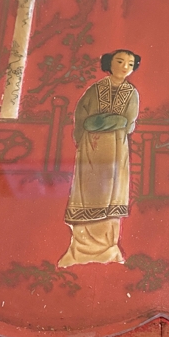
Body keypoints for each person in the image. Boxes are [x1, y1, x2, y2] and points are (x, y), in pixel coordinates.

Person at [58, 49, 141, 267]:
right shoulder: (94, 90)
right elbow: (82, 119)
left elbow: (129, 123)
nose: (124, 67)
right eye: (120, 61)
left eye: (130, 64)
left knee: (111, 193)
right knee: (88, 193)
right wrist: (104, 124)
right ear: (109, 63)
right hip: (91, 148)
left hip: (115, 149)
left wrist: (103, 122)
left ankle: (107, 248)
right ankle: (80, 250)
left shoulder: (131, 93)